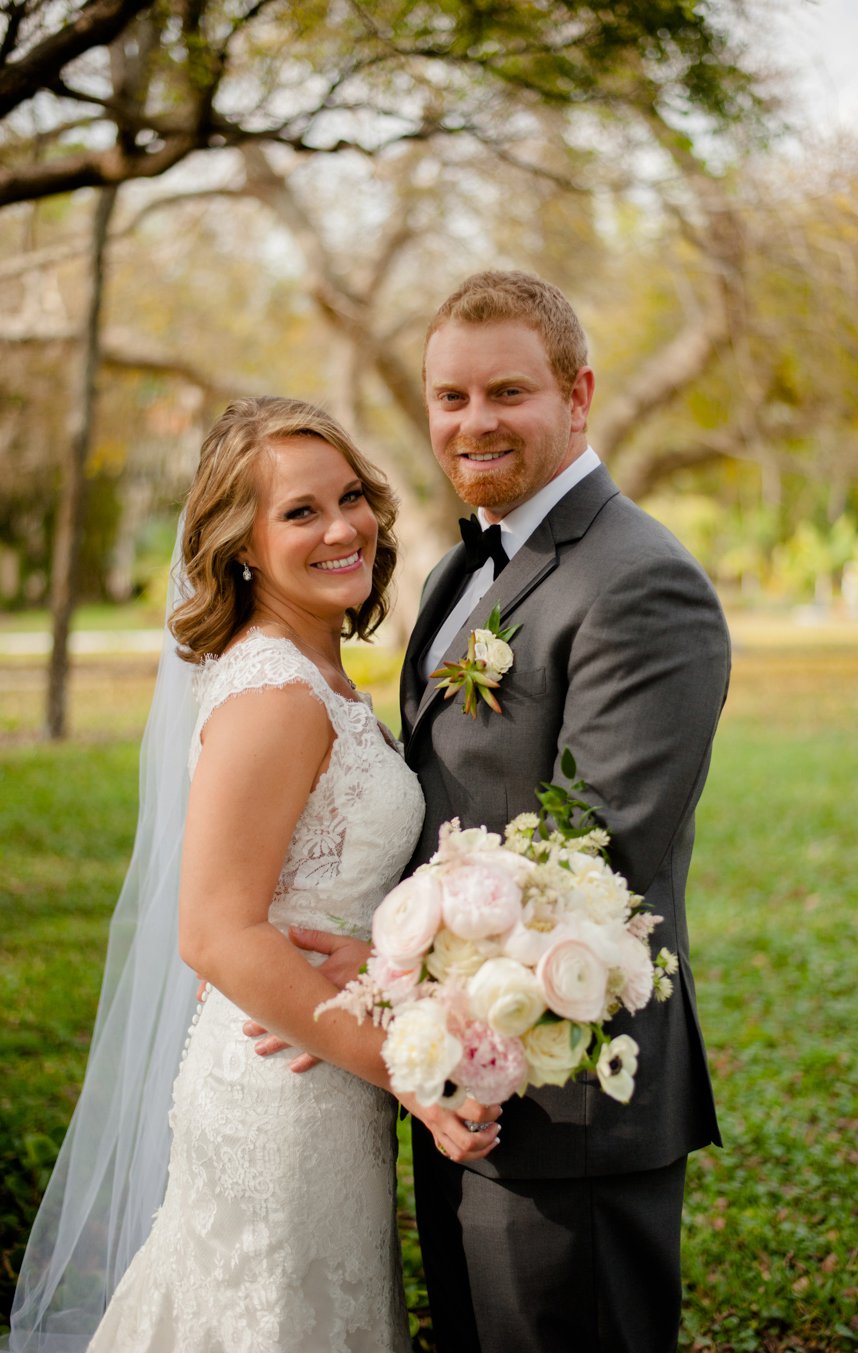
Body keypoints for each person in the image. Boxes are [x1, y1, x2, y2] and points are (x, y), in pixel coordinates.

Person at [281, 271, 731, 1353]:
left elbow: (598, 861)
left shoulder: (640, 581)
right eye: (450, 398)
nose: (472, 422)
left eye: (506, 393)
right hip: (462, 1080)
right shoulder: (458, 570)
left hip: (570, 1089)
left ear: (577, 396)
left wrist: (384, 978)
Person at [5, 397, 498, 1353]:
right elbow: (215, 931)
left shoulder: (314, 675)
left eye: (351, 497)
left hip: (316, 1069)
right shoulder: (275, 692)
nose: (343, 527)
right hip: (281, 1094)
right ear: (241, 545)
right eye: (300, 512)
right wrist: (409, 1070)